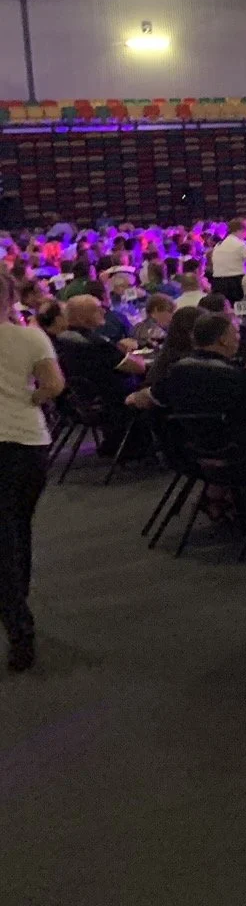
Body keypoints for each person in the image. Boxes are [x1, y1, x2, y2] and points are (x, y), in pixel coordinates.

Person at [0, 273, 63, 671]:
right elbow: (53, 385)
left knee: (3, 533)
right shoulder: (30, 337)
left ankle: (16, 616)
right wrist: (28, 397)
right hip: (25, 440)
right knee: (17, 527)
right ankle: (16, 604)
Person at [154, 312, 246, 461]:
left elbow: (145, 398)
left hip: (195, 456)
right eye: (237, 332)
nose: (239, 338)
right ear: (223, 340)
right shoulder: (237, 375)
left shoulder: (176, 371)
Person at [208, 217, 246, 297]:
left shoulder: (219, 245)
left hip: (217, 283)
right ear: (242, 230)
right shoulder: (240, 244)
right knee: (239, 307)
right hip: (235, 283)